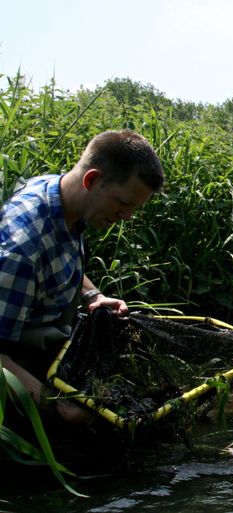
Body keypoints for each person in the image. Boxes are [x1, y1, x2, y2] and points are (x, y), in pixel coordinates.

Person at [0, 129, 164, 423]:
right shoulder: (21, 250)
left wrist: (93, 295)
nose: (126, 217)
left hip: (52, 342)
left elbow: (59, 258)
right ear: (92, 180)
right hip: (17, 365)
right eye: (124, 205)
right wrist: (58, 409)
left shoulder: (64, 198)